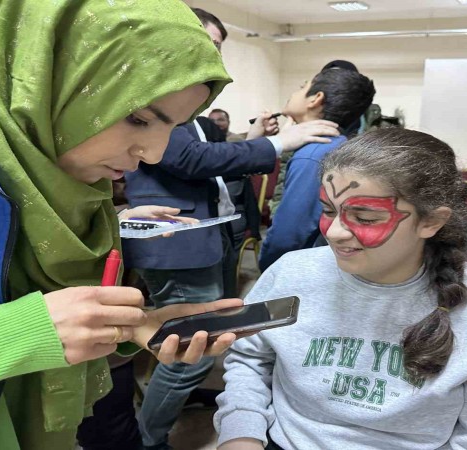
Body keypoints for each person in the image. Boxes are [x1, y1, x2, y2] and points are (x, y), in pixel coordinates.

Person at [0, 2, 244, 449]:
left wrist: (124, 326)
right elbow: (26, 324)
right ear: (45, 73)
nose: (155, 154)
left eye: (173, 127)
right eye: (139, 118)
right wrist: (25, 333)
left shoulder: (57, 172)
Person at [215, 129, 467, 450]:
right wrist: (241, 434)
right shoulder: (291, 273)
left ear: (431, 222)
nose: (335, 232)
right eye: (328, 211)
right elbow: (249, 358)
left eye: (365, 218)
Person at [123, 8, 341, 450]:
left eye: (219, 47)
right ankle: (147, 439)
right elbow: (189, 161)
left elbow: (208, 161)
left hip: (211, 237)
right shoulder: (154, 97)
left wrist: (252, 138)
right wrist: (277, 143)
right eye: (208, 42)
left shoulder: (193, 112)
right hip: (177, 241)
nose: (213, 54)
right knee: (188, 349)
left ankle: (167, 410)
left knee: (204, 340)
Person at [259, 68, 375, 271]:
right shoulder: (338, 144)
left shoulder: (312, 154)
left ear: (316, 99)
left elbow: (290, 232)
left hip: (301, 267)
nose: (294, 93)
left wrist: (269, 267)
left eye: (302, 87)